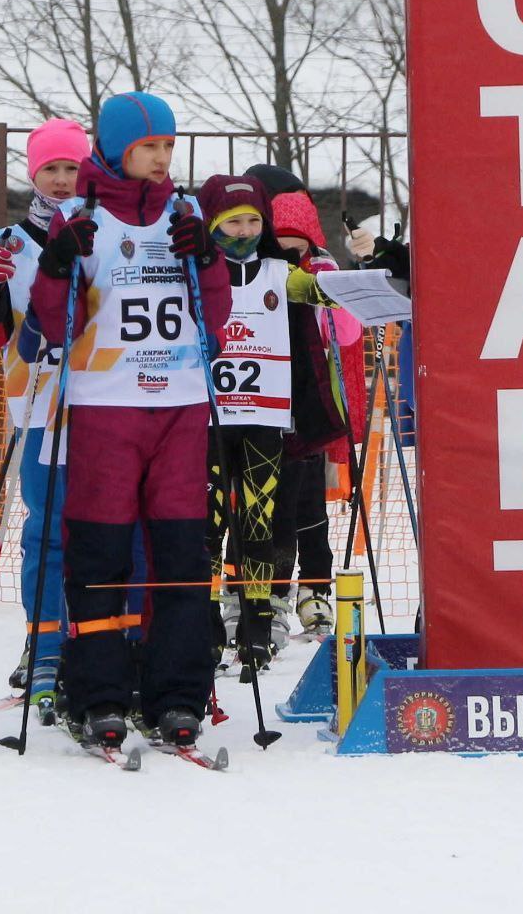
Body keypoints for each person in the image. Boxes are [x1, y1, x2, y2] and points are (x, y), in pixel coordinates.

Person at [31, 91, 231, 749]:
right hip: (104, 406)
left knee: (179, 558)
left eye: (169, 147)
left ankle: (178, 695)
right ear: (117, 148)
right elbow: (51, 324)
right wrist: (59, 263)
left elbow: (217, 318)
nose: (161, 157)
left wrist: (205, 258)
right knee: (102, 558)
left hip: (179, 405)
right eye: (150, 146)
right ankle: (98, 694)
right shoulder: (77, 215)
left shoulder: (186, 212)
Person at [197, 174, 344, 674]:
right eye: (232, 221)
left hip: (264, 419)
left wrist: (364, 277)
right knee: (209, 526)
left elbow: (325, 292)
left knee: (259, 524)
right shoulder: (196, 270)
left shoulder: (279, 272)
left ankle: (257, 621)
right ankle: (208, 621)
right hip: (211, 420)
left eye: (253, 221)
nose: (243, 230)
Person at [0, 117, 90, 709]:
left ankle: (94, 639)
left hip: (103, 398)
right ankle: (42, 643)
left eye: (72, 168)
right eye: (52, 169)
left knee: (104, 529)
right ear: (33, 174)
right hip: (39, 404)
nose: (64, 180)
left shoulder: (107, 229)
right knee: (45, 528)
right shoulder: (9, 243)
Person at [269, 189, 364, 639]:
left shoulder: (319, 271)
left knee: (308, 501)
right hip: (266, 401)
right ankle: (267, 590)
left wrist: (333, 288)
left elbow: (346, 333)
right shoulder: (262, 272)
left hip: (309, 402)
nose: (290, 253)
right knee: (272, 503)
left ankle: (314, 587)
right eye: (280, 242)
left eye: (297, 244)